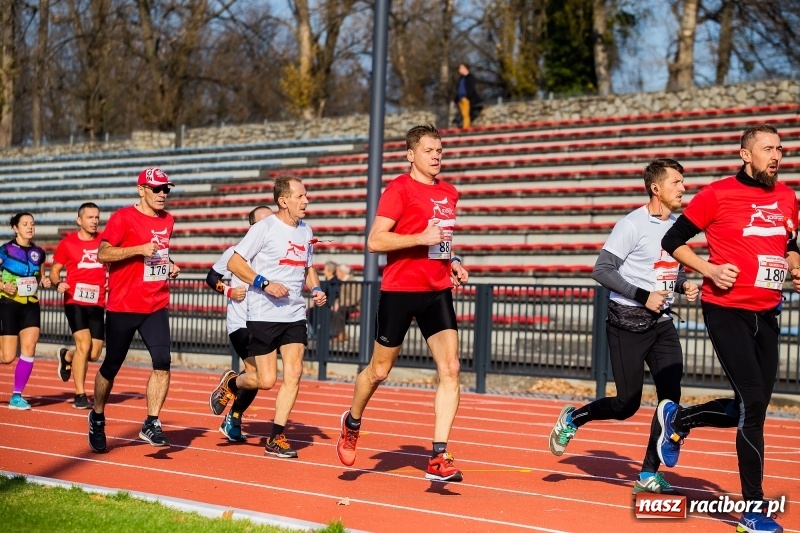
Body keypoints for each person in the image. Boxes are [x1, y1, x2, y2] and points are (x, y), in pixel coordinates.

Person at [660, 124, 797, 533]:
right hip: (726, 310)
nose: (776, 155)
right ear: (745, 154)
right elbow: (673, 240)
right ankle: (752, 511)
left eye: (780, 148)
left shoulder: (787, 197)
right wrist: (709, 269)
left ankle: (680, 421)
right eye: (767, 148)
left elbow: (790, 244)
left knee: (749, 408)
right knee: (752, 404)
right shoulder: (717, 194)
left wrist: (795, 265)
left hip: (767, 313)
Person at [548, 159, 699, 496]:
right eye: (676, 182)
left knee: (669, 402)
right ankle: (573, 419)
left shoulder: (677, 227)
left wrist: (683, 284)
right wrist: (644, 296)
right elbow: (602, 270)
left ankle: (647, 474)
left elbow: (669, 271)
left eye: (683, 181)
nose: (683, 188)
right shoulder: (631, 224)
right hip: (626, 325)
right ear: (656, 188)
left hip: (662, 325)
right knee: (626, 404)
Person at [336, 124, 469, 482]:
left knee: (451, 368)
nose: (436, 156)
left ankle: (438, 455)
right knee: (379, 371)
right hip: (399, 290)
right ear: (411, 155)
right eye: (428, 150)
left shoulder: (450, 192)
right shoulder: (399, 189)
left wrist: (452, 262)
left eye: (439, 150)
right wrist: (419, 238)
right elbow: (375, 241)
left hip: (436, 290)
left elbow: (440, 241)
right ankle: (352, 422)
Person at [209, 174, 327, 459]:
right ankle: (232, 383)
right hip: (263, 312)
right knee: (265, 380)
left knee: (295, 372)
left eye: (306, 195)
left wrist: (316, 288)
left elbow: (308, 267)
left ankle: (276, 438)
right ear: (283, 201)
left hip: (295, 312)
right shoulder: (264, 227)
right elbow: (234, 262)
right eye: (300, 196)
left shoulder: (306, 230)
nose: (306, 201)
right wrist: (265, 284)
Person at [87, 167, 180, 453]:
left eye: (166, 189)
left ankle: (152, 422)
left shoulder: (168, 220)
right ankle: (97, 417)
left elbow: (158, 253)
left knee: (162, 362)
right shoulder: (122, 218)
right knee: (111, 366)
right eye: (156, 189)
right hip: (124, 305)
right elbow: (103, 253)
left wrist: (169, 264)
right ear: (141, 190)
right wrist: (137, 249)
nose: (162, 194)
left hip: (156, 303)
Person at [204, 205, 271, 442]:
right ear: (252, 228)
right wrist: (229, 291)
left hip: (264, 322)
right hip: (240, 322)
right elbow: (211, 277)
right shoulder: (235, 252)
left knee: (260, 377)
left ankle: (232, 404)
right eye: (264, 223)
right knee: (257, 372)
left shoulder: (272, 255)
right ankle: (233, 414)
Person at [49, 202, 107, 410]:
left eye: (97, 217)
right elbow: (54, 271)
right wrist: (58, 283)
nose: (94, 221)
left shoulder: (105, 241)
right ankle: (80, 394)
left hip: (97, 301)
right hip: (75, 300)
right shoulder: (67, 243)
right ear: (79, 220)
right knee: (84, 344)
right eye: (90, 217)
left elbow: (115, 265)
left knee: (94, 353)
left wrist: (112, 281)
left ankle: (67, 356)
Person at [0, 212, 51, 409]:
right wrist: (3, 286)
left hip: (31, 306)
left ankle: (16, 396)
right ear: (15, 228)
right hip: (8, 305)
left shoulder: (39, 252)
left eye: (32, 224)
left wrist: (45, 281)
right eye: (25, 224)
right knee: (7, 357)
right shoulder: (6, 250)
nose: (30, 227)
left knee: (29, 348)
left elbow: (41, 276)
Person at [331, 264, 361, 343]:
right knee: (334, 310)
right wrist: (336, 303)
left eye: (337, 272)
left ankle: (341, 335)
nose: (336, 274)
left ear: (342, 272)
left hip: (354, 306)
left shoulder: (352, 282)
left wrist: (340, 304)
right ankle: (336, 333)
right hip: (345, 305)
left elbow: (355, 299)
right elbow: (341, 297)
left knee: (340, 311)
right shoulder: (343, 282)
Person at [453, 63, 481, 129]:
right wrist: (455, 99)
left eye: (460, 68)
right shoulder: (460, 79)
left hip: (466, 99)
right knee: (462, 115)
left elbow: (471, 88)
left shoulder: (470, 77)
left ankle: (466, 128)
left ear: (465, 68)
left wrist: (467, 97)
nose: (459, 70)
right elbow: (458, 89)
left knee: (465, 114)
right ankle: (464, 126)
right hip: (460, 99)